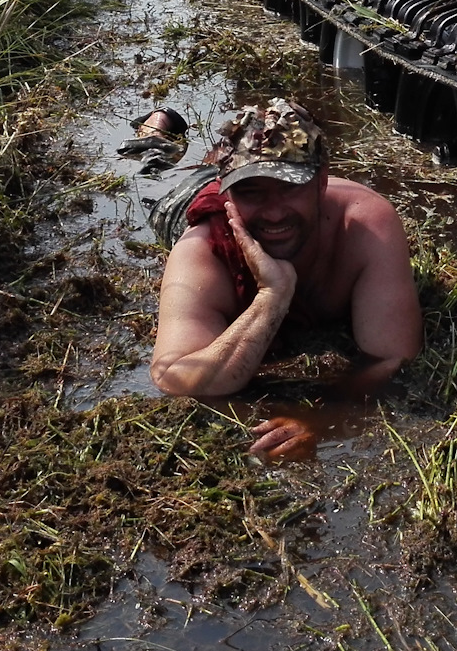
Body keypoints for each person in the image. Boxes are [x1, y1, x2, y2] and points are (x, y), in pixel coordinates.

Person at [149, 99, 422, 458]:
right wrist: (271, 296)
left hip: (235, 178)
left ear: (321, 181)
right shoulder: (202, 249)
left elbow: (393, 358)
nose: (274, 212)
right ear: (228, 196)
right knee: (153, 166)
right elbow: (175, 378)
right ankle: (158, 126)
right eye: (252, 192)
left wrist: (321, 418)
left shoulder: (365, 226)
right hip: (181, 199)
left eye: (290, 188)